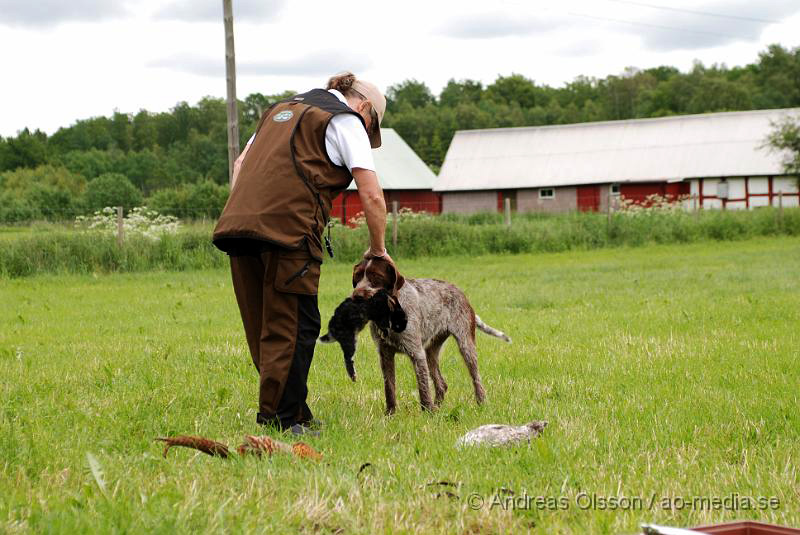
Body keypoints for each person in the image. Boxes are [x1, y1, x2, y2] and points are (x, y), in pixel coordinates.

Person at [212, 72, 393, 435]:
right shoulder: (345, 119)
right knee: (295, 324)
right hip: (288, 231)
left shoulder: (280, 110)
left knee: (265, 325)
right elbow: (371, 195)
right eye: (372, 123)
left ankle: (293, 409)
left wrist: (250, 211)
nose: (366, 128)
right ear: (365, 108)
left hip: (237, 225)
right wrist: (378, 250)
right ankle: (280, 419)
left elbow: (239, 167)